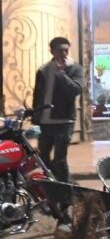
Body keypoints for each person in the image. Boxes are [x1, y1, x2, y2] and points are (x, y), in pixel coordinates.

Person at [31, 36, 85, 183]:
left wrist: (61, 74)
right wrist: (35, 114)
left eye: (66, 50)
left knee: (60, 159)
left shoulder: (75, 68)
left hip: (64, 121)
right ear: (52, 51)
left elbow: (75, 89)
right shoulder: (43, 69)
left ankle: (66, 189)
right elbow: (38, 93)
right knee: (42, 158)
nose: (64, 54)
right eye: (60, 50)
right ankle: (57, 183)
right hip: (45, 121)